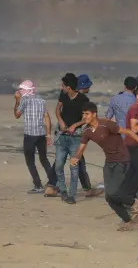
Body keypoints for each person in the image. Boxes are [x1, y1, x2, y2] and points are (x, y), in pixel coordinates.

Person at [71, 102, 138, 231]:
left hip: (122, 160)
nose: (84, 116)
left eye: (87, 114)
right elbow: (81, 149)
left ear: (94, 114)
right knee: (109, 197)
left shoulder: (106, 124)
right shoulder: (87, 131)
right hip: (109, 163)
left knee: (115, 192)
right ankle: (128, 220)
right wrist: (76, 157)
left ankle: (134, 202)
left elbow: (129, 132)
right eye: (83, 114)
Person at [54, 73, 91, 204]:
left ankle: (72, 195)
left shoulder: (83, 100)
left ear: (69, 87)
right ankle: (63, 190)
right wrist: (61, 121)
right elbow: (58, 109)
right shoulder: (63, 95)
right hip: (62, 137)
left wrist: (75, 125)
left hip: (75, 138)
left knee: (74, 168)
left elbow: (86, 118)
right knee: (58, 166)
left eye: (63, 86)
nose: (61, 87)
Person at [14, 80, 53, 194]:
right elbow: (47, 118)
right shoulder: (41, 100)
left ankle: (38, 185)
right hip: (41, 135)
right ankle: (54, 182)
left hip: (30, 135)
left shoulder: (24, 100)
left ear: (25, 90)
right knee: (44, 159)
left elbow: (17, 115)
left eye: (21, 89)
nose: (19, 92)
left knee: (30, 161)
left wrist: (17, 101)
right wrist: (48, 134)